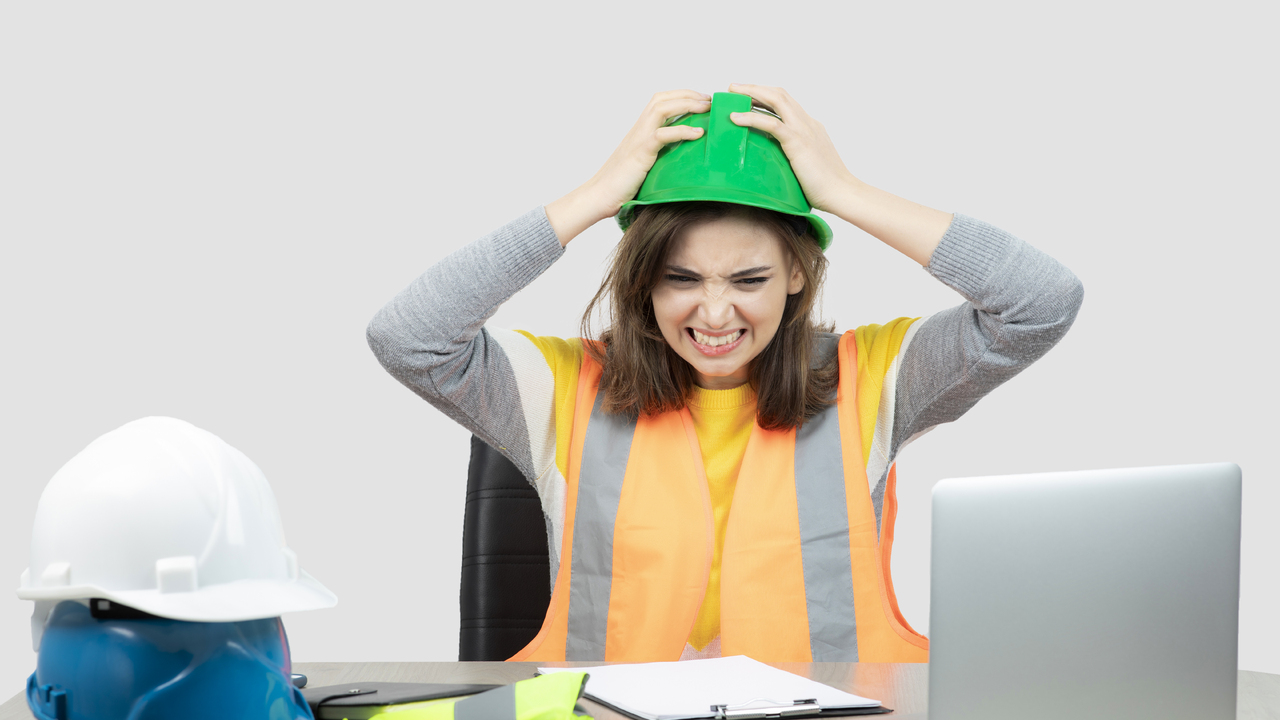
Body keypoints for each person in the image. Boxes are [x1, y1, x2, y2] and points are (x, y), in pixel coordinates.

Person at [367, 85, 1083, 663]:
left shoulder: (877, 376)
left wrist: (841, 192)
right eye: (681, 277)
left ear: (798, 272)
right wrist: (596, 195)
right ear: (643, 280)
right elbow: (409, 337)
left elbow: (1040, 303)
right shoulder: (561, 387)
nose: (714, 313)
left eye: (749, 277)